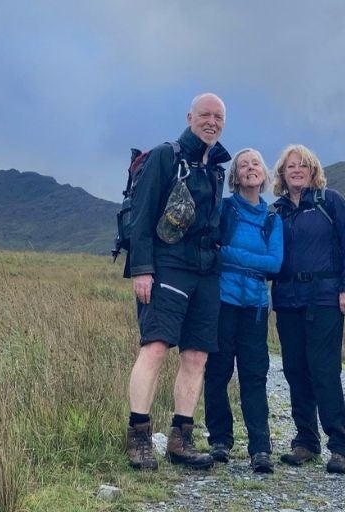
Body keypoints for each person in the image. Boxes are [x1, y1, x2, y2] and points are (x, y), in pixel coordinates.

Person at [123, 93, 230, 471]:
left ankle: (180, 440)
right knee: (155, 347)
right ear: (189, 117)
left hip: (206, 271)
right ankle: (138, 437)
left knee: (196, 355)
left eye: (218, 117)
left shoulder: (216, 168)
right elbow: (141, 217)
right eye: (205, 115)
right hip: (168, 266)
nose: (212, 122)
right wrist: (142, 269)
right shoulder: (164, 157)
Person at [270, 144, 345, 474]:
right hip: (287, 300)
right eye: (291, 166)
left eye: (303, 165)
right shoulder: (276, 211)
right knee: (295, 370)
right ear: (282, 174)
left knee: (324, 371)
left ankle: (340, 447)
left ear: (313, 171)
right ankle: (306, 442)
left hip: (325, 299)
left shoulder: (330, 201)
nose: (297, 170)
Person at [203, 148, 284, 474]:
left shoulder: (272, 219)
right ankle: (220, 441)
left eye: (256, 164)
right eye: (243, 165)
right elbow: (214, 251)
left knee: (254, 376)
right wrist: (252, 263)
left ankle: (260, 448)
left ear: (264, 174)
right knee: (217, 372)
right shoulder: (225, 209)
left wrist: (231, 254)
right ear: (235, 177)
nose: (250, 168)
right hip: (223, 303)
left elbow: (274, 264)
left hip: (255, 309)